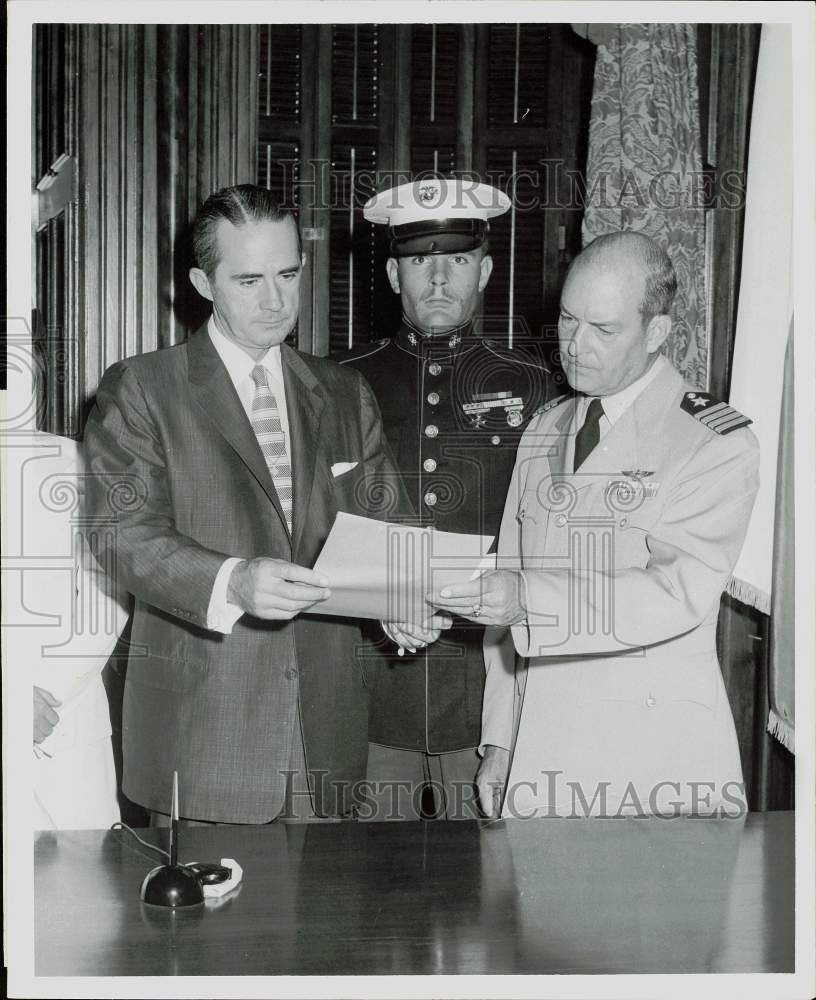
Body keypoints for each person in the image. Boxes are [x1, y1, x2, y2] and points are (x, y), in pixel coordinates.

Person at [83, 184, 426, 825]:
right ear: (202, 283)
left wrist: (406, 596)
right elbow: (120, 532)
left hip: (327, 738)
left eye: (288, 274)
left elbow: (389, 527)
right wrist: (233, 579)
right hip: (206, 737)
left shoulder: (344, 391)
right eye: (248, 280)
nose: (275, 301)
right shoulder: (144, 388)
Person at [431, 231, 759, 818]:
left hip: (649, 766)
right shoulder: (546, 426)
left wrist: (527, 597)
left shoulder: (712, 441)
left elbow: (675, 592)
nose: (575, 346)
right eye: (567, 320)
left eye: (603, 330)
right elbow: (509, 582)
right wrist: (501, 742)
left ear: (656, 332)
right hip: (540, 753)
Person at [339, 177, 554, 820]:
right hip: (374, 678)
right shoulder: (338, 383)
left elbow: (549, 538)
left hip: (487, 679)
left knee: (491, 898)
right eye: (419, 260)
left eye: (456, 260)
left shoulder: (538, 385)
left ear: (484, 270)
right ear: (392, 273)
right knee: (365, 890)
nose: (438, 279)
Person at [5, 432, 129, 829]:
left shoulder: (79, 462)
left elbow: (109, 592)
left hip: (64, 733)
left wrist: (44, 694)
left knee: (81, 883)